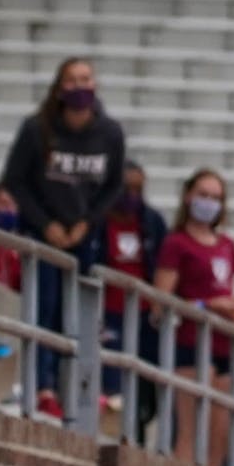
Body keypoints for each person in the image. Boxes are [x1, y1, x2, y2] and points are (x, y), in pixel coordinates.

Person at [0, 56, 126, 418]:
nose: (79, 86)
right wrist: (45, 224)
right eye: (71, 80)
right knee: (44, 308)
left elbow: (114, 185)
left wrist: (87, 222)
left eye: (85, 78)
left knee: (81, 316)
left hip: (86, 236)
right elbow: (15, 180)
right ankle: (42, 386)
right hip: (43, 235)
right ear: (59, 87)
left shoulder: (110, 133)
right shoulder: (37, 129)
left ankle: (78, 387)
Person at [152, 167, 234, 466]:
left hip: (223, 345)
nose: (209, 202)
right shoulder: (176, 243)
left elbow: (230, 290)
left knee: (219, 432)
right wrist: (207, 306)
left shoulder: (227, 245)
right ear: (188, 196)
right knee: (190, 430)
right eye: (203, 195)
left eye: (216, 197)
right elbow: (160, 304)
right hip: (190, 344)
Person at [96, 159, 168, 435]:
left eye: (138, 189)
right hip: (108, 313)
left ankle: (135, 431)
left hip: (143, 318)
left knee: (144, 387)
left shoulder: (151, 222)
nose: (132, 196)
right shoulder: (98, 221)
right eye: (126, 188)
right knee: (113, 384)